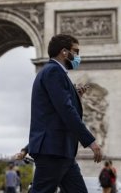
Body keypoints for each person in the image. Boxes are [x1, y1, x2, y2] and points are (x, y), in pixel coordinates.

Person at [28, 34, 102, 192]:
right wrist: (90, 141)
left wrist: (75, 96)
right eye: (75, 51)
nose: (78, 56)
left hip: (62, 150)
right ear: (64, 52)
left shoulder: (55, 73)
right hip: (53, 150)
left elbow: (59, 107)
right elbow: (66, 111)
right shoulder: (54, 72)